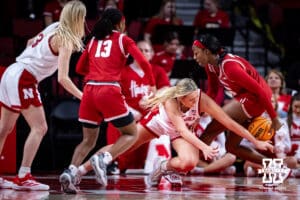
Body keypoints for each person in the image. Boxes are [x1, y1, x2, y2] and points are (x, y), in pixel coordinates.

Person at [74, 78, 272, 188]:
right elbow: (182, 130)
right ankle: (79, 170)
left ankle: (163, 167)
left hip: (181, 132)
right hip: (159, 123)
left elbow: (228, 122)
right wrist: (203, 146)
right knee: (123, 148)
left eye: (196, 97)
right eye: (190, 100)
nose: (195, 102)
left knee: (188, 163)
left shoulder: (202, 100)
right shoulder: (171, 101)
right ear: (180, 98)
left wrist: (256, 141)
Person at [59, 8, 156, 194]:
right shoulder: (123, 39)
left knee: (88, 140)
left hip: (89, 90)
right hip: (109, 89)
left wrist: (97, 71)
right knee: (131, 133)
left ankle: (70, 171)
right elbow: (144, 62)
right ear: (120, 24)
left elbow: (79, 68)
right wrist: (151, 84)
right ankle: (104, 159)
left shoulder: (93, 41)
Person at [0, 0, 86, 190]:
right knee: (39, 127)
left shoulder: (55, 26)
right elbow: (63, 78)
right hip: (24, 77)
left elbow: (30, 42)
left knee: (4, 129)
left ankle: (21, 175)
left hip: (12, 71)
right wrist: (83, 97)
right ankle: (23, 176)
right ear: (79, 18)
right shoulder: (66, 40)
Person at [192, 34, 283, 169]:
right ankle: (277, 167)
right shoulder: (211, 65)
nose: (194, 57)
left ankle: (182, 167)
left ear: (206, 51)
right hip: (246, 98)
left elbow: (260, 91)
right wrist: (197, 113)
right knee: (231, 147)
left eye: (196, 53)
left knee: (210, 131)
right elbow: (212, 92)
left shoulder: (230, 67)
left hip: (256, 98)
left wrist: (274, 118)